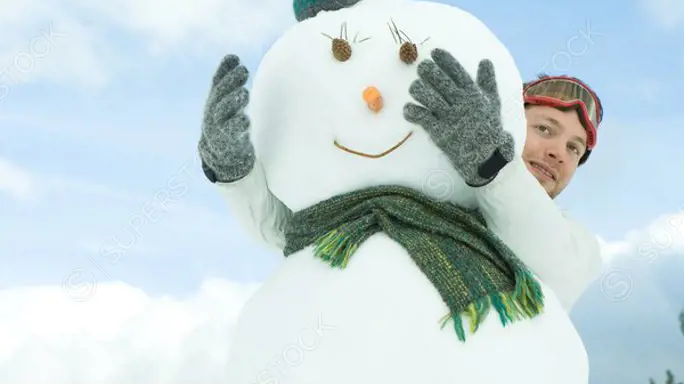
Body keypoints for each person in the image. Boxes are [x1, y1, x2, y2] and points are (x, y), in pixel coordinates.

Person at [200, 62, 604, 315]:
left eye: (574, 148)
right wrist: (236, 176)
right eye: (545, 130)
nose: (557, 153)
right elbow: (296, 232)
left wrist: (492, 166)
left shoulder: (576, 245)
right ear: (511, 125)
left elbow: (547, 262)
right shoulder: (442, 195)